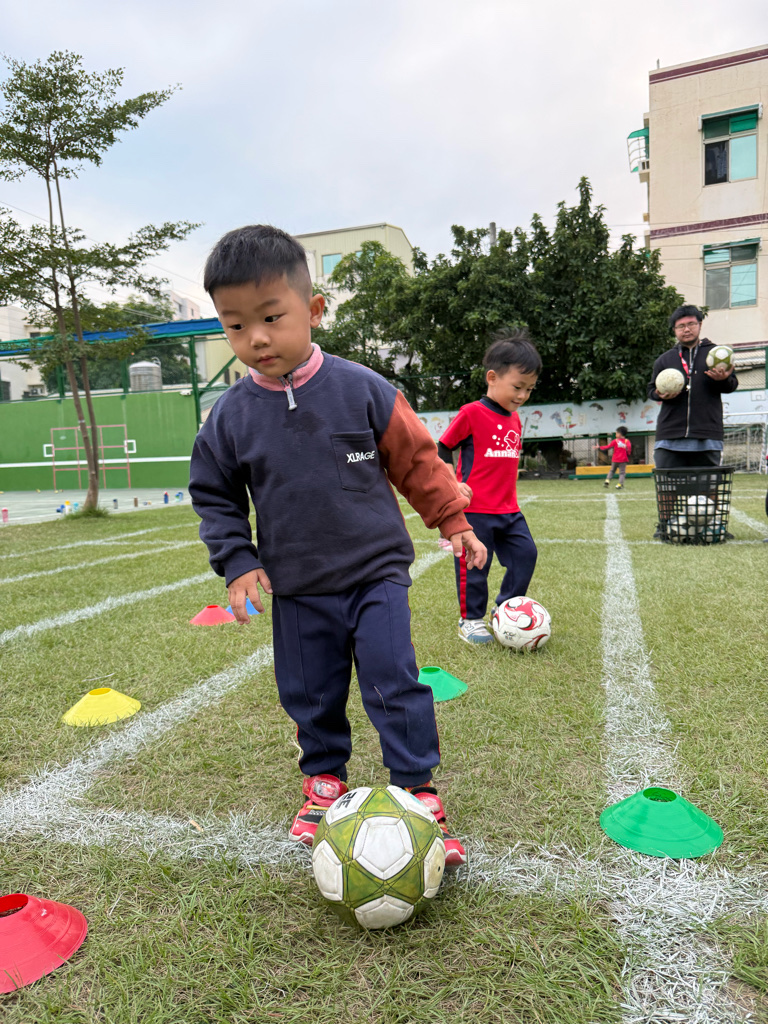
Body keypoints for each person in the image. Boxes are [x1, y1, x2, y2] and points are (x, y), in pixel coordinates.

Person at [189, 225, 487, 868]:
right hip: (297, 585)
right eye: (235, 326)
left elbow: (416, 458)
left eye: (271, 317)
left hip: (376, 574)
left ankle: (417, 791)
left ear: (314, 310)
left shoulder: (363, 388)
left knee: (393, 680)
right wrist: (238, 561)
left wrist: (453, 520)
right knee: (310, 692)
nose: (256, 338)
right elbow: (214, 493)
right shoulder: (231, 416)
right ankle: (324, 782)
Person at [438, 330, 541, 645]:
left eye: (529, 389)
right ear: (492, 378)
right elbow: (442, 447)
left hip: (509, 510)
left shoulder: (515, 420)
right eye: (517, 387)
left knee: (526, 554)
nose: (522, 395)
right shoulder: (472, 413)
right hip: (475, 511)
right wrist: (454, 484)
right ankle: (470, 620)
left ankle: (506, 609)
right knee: (475, 567)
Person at [648, 305, 738, 537]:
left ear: (699, 325)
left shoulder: (716, 354)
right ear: (674, 330)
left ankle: (713, 526)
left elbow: (731, 385)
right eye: (681, 326)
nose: (686, 329)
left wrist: (723, 379)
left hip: (707, 430)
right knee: (666, 484)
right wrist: (659, 393)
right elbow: (650, 390)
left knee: (710, 484)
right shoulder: (665, 359)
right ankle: (664, 525)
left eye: (691, 324)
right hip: (670, 432)